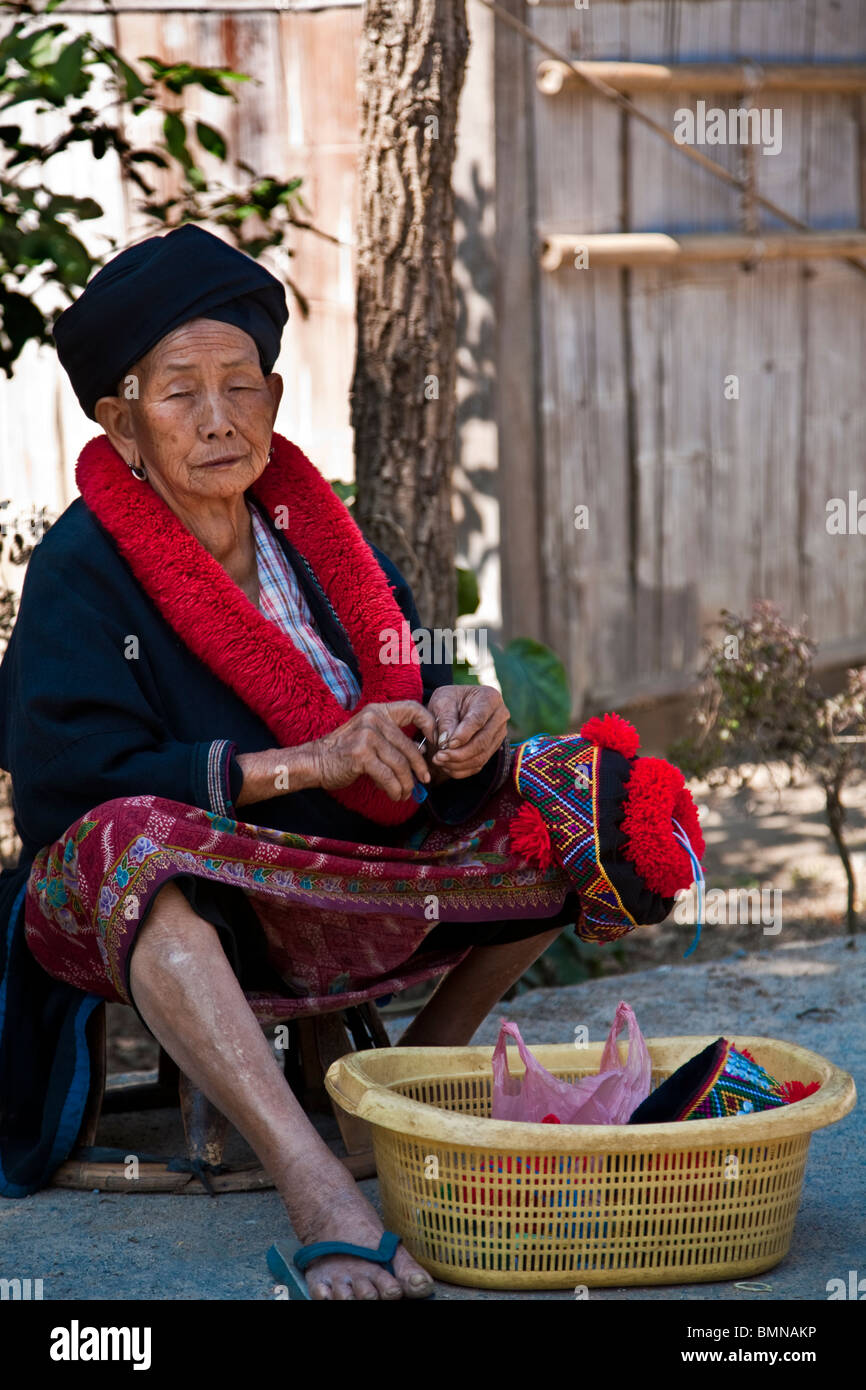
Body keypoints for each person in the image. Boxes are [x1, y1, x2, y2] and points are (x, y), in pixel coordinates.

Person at [0, 224, 578, 1300]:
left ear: (271, 397)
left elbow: (398, 676)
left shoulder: (317, 531)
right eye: (179, 393)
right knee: (128, 843)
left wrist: (455, 714)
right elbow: (65, 779)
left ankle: (399, 1090)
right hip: (189, 897)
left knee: (579, 795)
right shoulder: (82, 566)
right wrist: (302, 764)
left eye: (238, 385)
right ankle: (315, 1179)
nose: (217, 418)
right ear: (122, 422)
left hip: (348, 859)